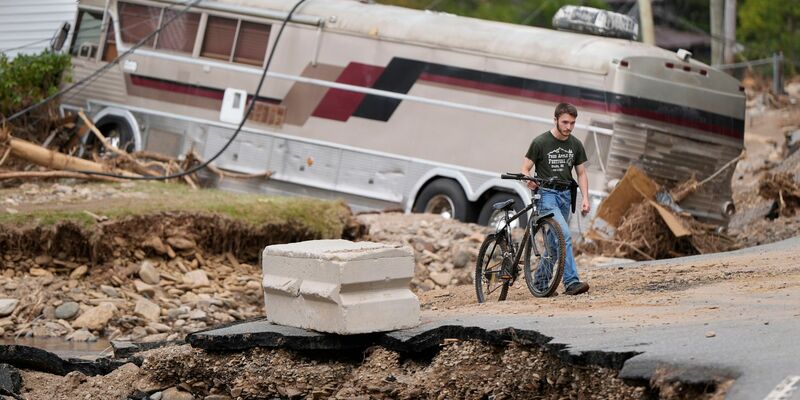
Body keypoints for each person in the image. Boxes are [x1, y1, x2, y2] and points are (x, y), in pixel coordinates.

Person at [521, 102, 590, 295]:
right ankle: (571, 282)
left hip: (566, 196)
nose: (569, 127)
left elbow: (582, 173)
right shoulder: (540, 142)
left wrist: (585, 198)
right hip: (546, 195)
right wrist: (529, 180)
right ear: (556, 120)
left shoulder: (575, 144)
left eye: (573, 123)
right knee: (564, 235)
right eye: (565, 122)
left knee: (553, 245)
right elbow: (525, 168)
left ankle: (541, 284)